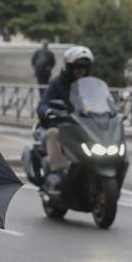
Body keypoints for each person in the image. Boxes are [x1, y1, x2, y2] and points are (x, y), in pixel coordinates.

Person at [36, 45, 94, 190]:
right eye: (77, 67)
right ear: (69, 67)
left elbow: (102, 102)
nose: (80, 71)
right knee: (52, 134)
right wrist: (48, 111)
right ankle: (59, 174)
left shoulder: (90, 86)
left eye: (84, 68)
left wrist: (112, 111)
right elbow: (43, 104)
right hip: (61, 126)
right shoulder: (57, 84)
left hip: (83, 128)